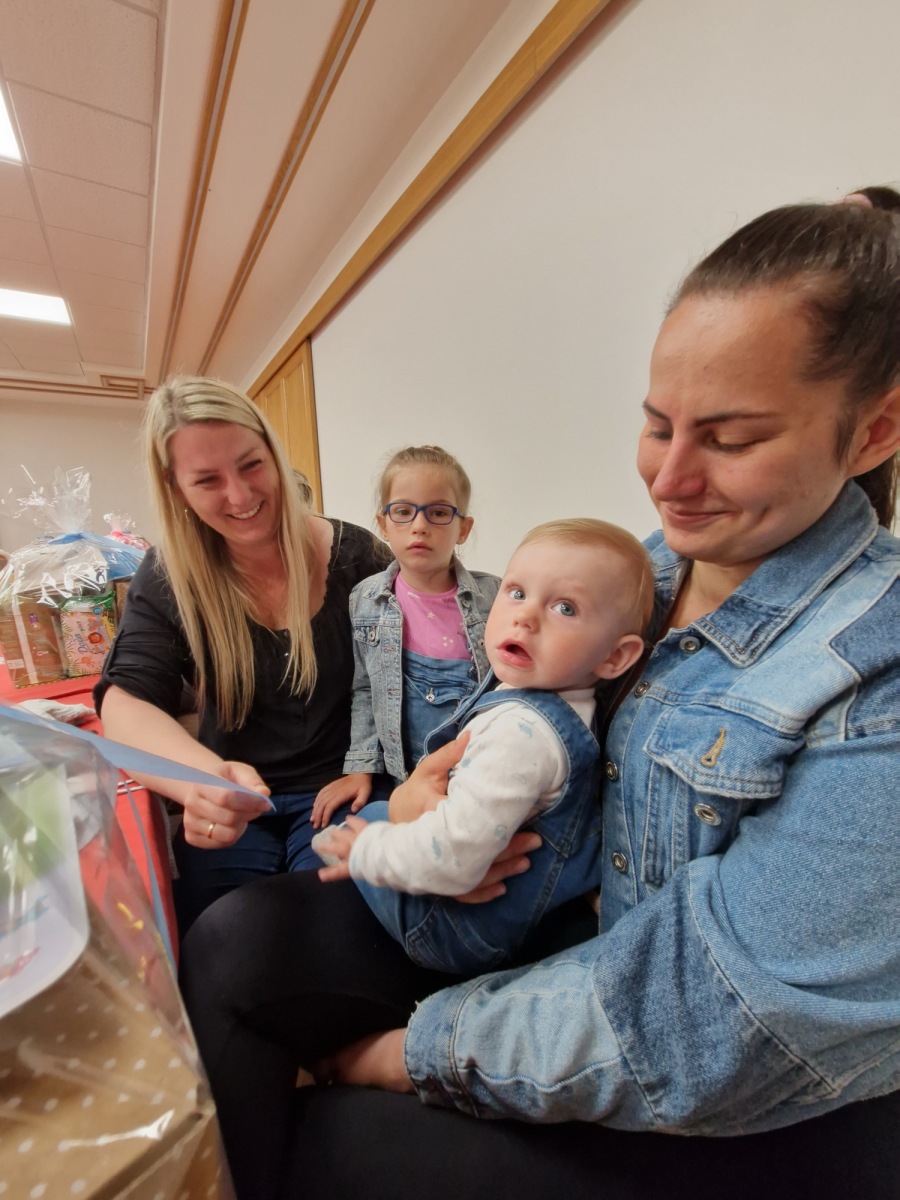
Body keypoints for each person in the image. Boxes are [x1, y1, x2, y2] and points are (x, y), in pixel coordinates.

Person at [178, 201, 900, 1200]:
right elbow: (492, 721)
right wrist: (420, 798)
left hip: (715, 1051)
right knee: (234, 942)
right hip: (550, 919)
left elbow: (715, 1015)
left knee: (338, 1142)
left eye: (731, 440)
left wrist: (407, 1052)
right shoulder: (640, 569)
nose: (670, 480)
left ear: (874, 431)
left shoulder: (872, 673)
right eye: (656, 426)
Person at [94, 376, 389, 935]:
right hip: (235, 799)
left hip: (343, 791)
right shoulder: (167, 576)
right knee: (214, 938)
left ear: (274, 455)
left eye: (251, 465)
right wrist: (204, 783)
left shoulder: (360, 557)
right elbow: (127, 703)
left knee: (332, 932)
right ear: (176, 488)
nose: (240, 496)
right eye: (207, 480)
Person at [313, 518, 650, 974]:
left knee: (353, 830)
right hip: (507, 905)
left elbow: (455, 861)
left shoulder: (521, 736)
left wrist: (367, 854)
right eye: (517, 592)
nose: (525, 616)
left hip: (452, 929)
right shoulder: (560, 697)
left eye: (565, 608)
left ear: (615, 656)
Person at [311, 445, 499, 831]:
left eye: (439, 512)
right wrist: (361, 767)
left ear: (463, 528)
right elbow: (365, 689)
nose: (419, 526)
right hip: (404, 781)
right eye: (403, 511)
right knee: (343, 841)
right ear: (383, 524)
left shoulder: (495, 598)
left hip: (477, 779)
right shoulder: (365, 599)